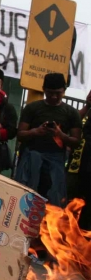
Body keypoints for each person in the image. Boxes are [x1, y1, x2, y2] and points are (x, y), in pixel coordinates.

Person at [15, 73, 81, 207]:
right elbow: (20, 134)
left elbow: (76, 141)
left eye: (58, 93)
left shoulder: (71, 113)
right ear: (44, 89)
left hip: (55, 163)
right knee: (24, 199)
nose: (54, 97)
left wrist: (60, 134)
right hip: (31, 159)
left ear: (64, 90)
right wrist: (36, 131)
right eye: (50, 93)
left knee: (53, 203)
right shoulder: (32, 108)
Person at [67, 89, 91, 229]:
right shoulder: (86, 113)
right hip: (79, 162)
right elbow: (74, 122)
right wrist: (87, 106)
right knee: (71, 198)